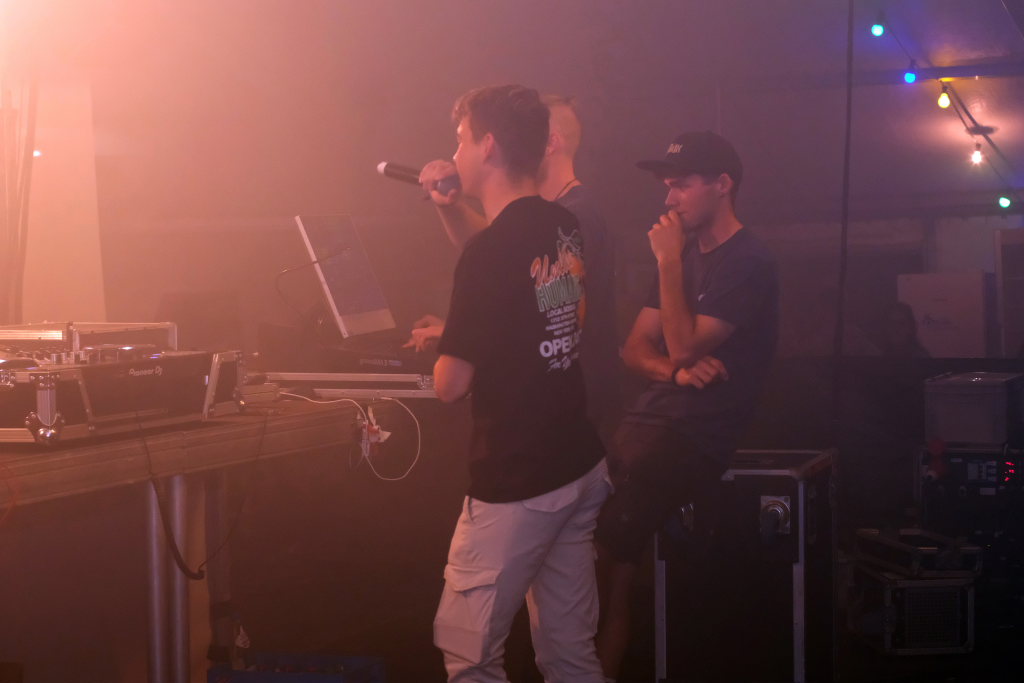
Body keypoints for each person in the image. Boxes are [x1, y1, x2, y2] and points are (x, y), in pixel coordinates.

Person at [429, 84, 610, 683]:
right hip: (576, 464)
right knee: (569, 653)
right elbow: (513, 279)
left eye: (460, 140)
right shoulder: (563, 223)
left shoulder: (488, 253)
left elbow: (451, 385)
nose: (454, 154)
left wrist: (450, 343)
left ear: (488, 146)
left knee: (469, 654)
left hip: (518, 478)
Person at [593, 131, 779, 681]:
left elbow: (681, 343)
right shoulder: (681, 257)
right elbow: (635, 349)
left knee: (606, 554)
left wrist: (670, 263)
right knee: (597, 560)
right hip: (646, 423)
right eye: (668, 187)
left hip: (694, 435)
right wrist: (674, 372)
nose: (669, 199)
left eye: (681, 186)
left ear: (722, 185)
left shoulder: (748, 260)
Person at [408, 94, 620, 440]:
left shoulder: (575, 217)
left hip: (561, 415)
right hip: (563, 421)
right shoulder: (555, 217)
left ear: (549, 142)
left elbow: (498, 258)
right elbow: (499, 252)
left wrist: (458, 338)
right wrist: (451, 205)